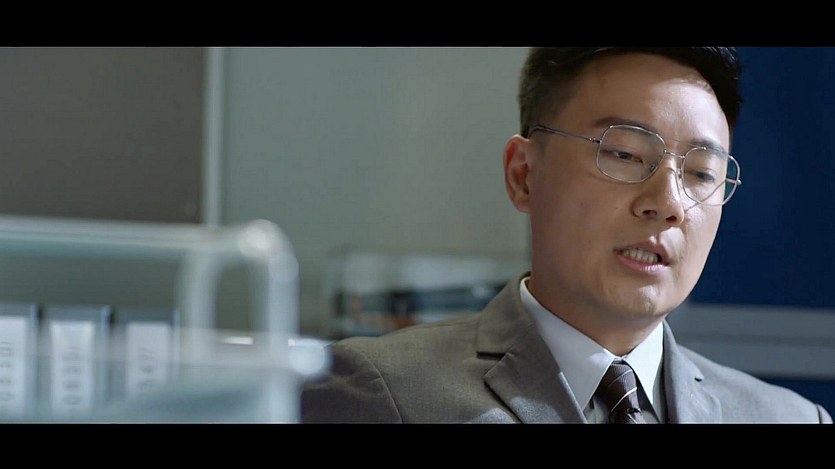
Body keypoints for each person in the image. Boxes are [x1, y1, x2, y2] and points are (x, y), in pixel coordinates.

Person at [300, 47, 833, 423]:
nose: (669, 203)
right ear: (524, 175)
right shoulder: (380, 394)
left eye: (700, 173)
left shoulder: (790, 418)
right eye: (624, 154)